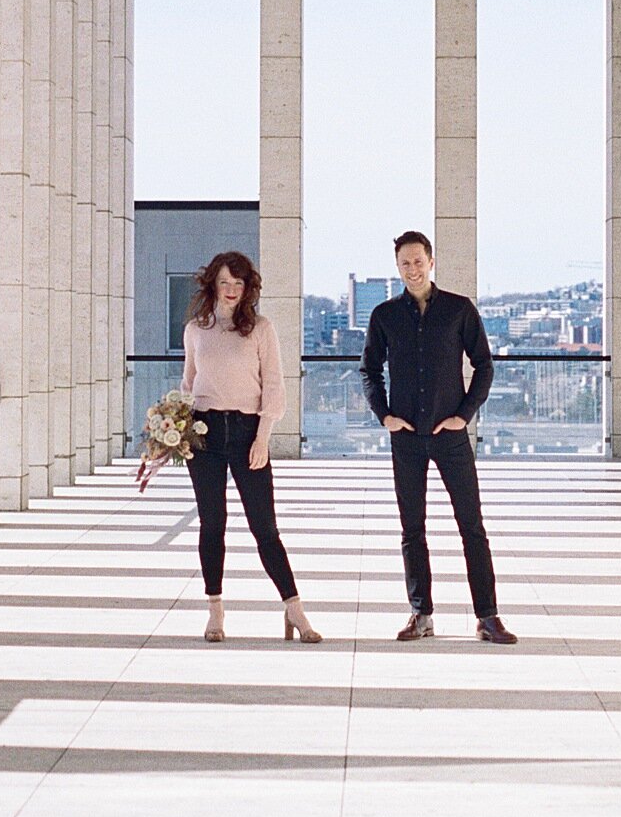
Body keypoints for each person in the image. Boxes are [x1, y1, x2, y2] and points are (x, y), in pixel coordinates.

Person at [360, 231, 517, 644]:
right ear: (397, 268)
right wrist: (385, 415)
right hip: (406, 438)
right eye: (404, 264)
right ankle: (421, 614)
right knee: (412, 529)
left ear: (431, 262)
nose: (412, 269)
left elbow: (484, 366)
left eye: (418, 261)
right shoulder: (384, 315)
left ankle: (487, 616)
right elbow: (368, 371)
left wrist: (463, 415)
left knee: (472, 526)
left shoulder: (459, 310)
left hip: (450, 436)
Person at [179, 250, 321, 645]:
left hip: (246, 433)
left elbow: (274, 385)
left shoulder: (260, 328)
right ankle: (215, 612)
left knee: (265, 527)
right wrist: (172, 426)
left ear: (248, 288)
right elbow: (189, 384)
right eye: (224, 282)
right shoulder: (195, 329)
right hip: (203, 434)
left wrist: (263, 438)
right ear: (212, 284)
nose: (231, 290)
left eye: (238, 284)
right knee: (212, 524)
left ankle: (294, 609)